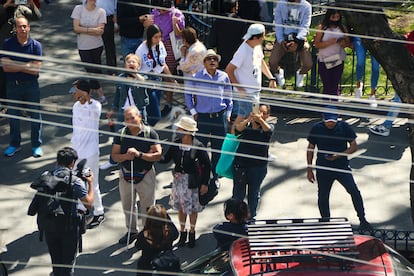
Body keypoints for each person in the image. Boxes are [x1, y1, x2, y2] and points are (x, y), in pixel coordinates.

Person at [306, 110, 372, 231]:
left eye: (333, 121)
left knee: (354, 191)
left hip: (341, 166)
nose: (330, 123)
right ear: (323, 118)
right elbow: (310, 148)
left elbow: (354, 147)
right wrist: (309, 169)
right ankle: (326, 221)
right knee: (323, 195)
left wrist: (338, 155)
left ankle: (362, 219)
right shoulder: (316, 128)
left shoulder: (345, 127)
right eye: (328, 121)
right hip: (323, 167)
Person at [111, 106, 162, 244]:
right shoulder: (121, 134)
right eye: (127, 119)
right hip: (126, 175)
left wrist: (140, 155)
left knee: (148, 206)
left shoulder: (150, 133)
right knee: (128, 205)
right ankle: (132, 231)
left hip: (145, 175)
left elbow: (157, 155)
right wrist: (126, 156)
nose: (130, 121)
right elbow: (114, 156)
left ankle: (147, 233)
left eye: (132, 117)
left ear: (139, 117)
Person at [159, 116, 211, 248]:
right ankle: (183, 232)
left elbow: (207, 165)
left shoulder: (198, 146)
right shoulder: (177, 143)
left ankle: (192, 232)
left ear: (187, 131)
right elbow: (166, 158)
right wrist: (155, 154)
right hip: (178, 180)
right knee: (181, 208)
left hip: (192, 181)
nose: (177, 130)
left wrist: (205, 183)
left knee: (193, 209)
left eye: (180, 128)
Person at [45, 147, 94, 276]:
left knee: (56, 262)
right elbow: (88, 204)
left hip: (49, 226)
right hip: (68, 227)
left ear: (57, 161)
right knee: (67, 265)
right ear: (72, 163)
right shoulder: (75, 181)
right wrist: (90, 184)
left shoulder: (47, 176)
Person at [185, 49, 233, 182]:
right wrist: (193, 112)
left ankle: (215, 174)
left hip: (220, 117)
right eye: (209, 59)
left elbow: (229, 95)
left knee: (219, 148)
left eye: (215, 59)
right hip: (203, 117)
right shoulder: (196, 77)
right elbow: (188, 94)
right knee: (200, 148)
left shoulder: (223, 76)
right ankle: (200, 174)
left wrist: (228, 113)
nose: (212, 61)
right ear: (204, 62)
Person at [2, 16, 43, 158]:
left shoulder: (36, 46)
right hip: (13, 86)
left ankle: (36, 145)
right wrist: (27, 65)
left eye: (25, 26)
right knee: (13, 117)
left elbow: (35, 70)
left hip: (31, 86)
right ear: (15, 28)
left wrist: (16, 64)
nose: (23, 29)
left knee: (35, 117)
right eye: (19, 26)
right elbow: (6, 67)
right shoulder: (7, 44)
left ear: (29, 27)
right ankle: (14, 145)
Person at [100, 53, 149, 170]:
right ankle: (113, 160)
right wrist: (113, 109)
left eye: (134, 62)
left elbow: (145, 84)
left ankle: (144, 160)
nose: (131, 64)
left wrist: (135, 75)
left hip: (138, 113)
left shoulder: (142, 77)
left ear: (138, 66)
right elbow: (117, 95)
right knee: (118, 137)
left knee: (142, 136)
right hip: (123, 112)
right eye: (128, 62)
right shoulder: (121, 78)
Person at [225, 23, 276, 133]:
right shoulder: (243, 51)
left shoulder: (257, 47)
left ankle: (238, 138)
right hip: (246, 92)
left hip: (254, 91)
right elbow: (229, 70)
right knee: (244, 116)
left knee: (247, 116)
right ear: (256, 37)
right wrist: (240, 89)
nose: (264, 38)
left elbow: (261, 62)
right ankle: (232, 138)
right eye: (263, 36)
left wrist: (271, 78)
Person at [70, 79, 105, 228]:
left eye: (75, 90)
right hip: (76, 151)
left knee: (93, 182)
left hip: (90, 152)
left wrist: (87, 96)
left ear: (83, 91)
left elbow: (94, 111)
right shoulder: (76, 106)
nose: (73, 93)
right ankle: (82, 208)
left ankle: (99, 211)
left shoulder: (96, 106)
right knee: (77, 182)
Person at [143, 0, 185, 116]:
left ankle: (168, 103)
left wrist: (175, 23)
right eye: (159, 9)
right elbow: (148, 28)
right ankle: (154, 102)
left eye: (163, 10)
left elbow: (179, 34)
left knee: (167, 75)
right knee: (154, 72)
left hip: (169, 45)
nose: (160, 11)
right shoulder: (154, 13)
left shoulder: (176, 14)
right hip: (155, 43)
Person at [232, 104, 273, 218]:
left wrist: (260, 120)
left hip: (258, 167)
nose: (260, 115)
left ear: (267, 116)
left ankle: (251, 217)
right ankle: (237, 218)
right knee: (238, 195)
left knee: (253, 194)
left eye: (263, 113)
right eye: (258, 112)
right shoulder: (247, 125)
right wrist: (249, 119)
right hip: (241, 165)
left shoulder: (268, 127)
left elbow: (268, 132)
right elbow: (236, 130)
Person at [135, 24, 178, 126]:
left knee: (154, 108)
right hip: (146, 81)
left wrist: (172, 79)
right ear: (150, 37)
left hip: (158, 79)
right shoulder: (141, 49)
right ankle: (146, 128)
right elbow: (136, 67)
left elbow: (163, 65)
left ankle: (147, 129)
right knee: (154, 113)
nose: (158, 39)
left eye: (160, 37)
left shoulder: (161, 45)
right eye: (156, 37)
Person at [71, 0, 108, 105]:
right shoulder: (78, 9)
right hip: (83, 46)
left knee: (94, 70)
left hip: (97, 46)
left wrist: (84, 29)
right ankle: (101, 94)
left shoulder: (101, 11)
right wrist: (92, 30)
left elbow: (100, 31)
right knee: (91, 70)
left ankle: (88, 94)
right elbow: (76, 28)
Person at [269, 0, 312, 88]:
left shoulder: (306, 6)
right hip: (284, 36)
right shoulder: (281, 4)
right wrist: (281, 40)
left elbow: (305, 26)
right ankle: (278, 73)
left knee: (308, 64)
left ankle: (300, 74)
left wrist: (297, 41)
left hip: (299, 38)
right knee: (272, 62)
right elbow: (278, 24)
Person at [314, 9, 351, 98]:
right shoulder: (322, 28)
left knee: (334, 85)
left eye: (337, 17)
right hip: (324, 59)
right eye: (333, 17)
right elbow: (317, 44)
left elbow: (348, 43)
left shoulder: (342, 28)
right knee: (327, 85)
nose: (335, 19)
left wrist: (343, 43)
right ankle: (326, 107)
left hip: (337, 58)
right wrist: (328, 43)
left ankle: (334, 106)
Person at [135, 204, 179, 274]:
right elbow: (176, 234)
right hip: (165, 264)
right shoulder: (170, 232)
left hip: (147, 267)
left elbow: (138, 246)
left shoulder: (143, 235)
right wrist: (165, 215)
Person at [207, 0, 247, 70]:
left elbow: (211, 42)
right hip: (236, 61)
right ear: (234, 8)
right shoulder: (242, 23)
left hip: (222, 60)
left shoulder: (217, 22)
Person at [353, 36, 380, 107]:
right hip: (360, 37)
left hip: (375, 38)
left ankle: (373, 94)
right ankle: (359, 85)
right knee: (360, 62)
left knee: (376, 67)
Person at [96, 0, 118, 70]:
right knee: (94, 45)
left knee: (109, 45)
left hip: (108, 17)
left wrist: (116, 14)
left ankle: (112, 69)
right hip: (93, 17)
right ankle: (96, 69)